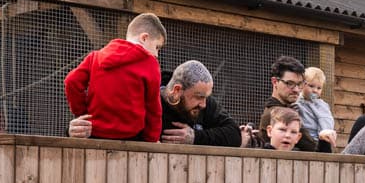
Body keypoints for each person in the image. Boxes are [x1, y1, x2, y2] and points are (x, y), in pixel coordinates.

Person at [68, 60, 243, 146]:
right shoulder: (144, 99)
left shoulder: (205, 104)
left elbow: (234, 135)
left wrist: (195, 138)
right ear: (176, 90)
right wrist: (76, 132)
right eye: (198, 97)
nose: (204, 104)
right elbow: (111, 130)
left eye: (206, 96)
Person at [64, 12, 165, 142]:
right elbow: (154, 108)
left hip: (96, 133)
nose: (156, 54)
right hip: (132, 137)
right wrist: (151, 139)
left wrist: (84, 115)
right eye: (157, 47)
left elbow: (71, 81)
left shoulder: (95, 57)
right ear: (144, 38)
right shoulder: (150, 63)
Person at [259, 55, 316, 152]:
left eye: (300, 84)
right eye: (290, 83)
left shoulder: (290, 109)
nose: (297, 90)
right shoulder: (274, 113)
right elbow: (313, 148)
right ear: (275, 82)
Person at [297, 67, 337, 152]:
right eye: (311, 86)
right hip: (302, 140)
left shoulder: (322, 106)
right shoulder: (297, 101)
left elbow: (326, 120)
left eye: (319, 88)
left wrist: (325, 134)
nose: (315, 90)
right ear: (302, 85)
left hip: (319, 140)